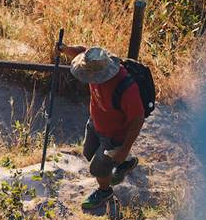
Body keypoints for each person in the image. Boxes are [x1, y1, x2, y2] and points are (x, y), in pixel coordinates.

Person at [57, 45, 145, 211]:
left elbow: (138, 119)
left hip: (115, 135)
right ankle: (124, 163)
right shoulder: (95, 61)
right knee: (88, 152)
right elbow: (81, 52)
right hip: (96, 122)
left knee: (97, 168)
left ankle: (104, 191)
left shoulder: (126, 88)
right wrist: (65, 49)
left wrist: (125, 149)